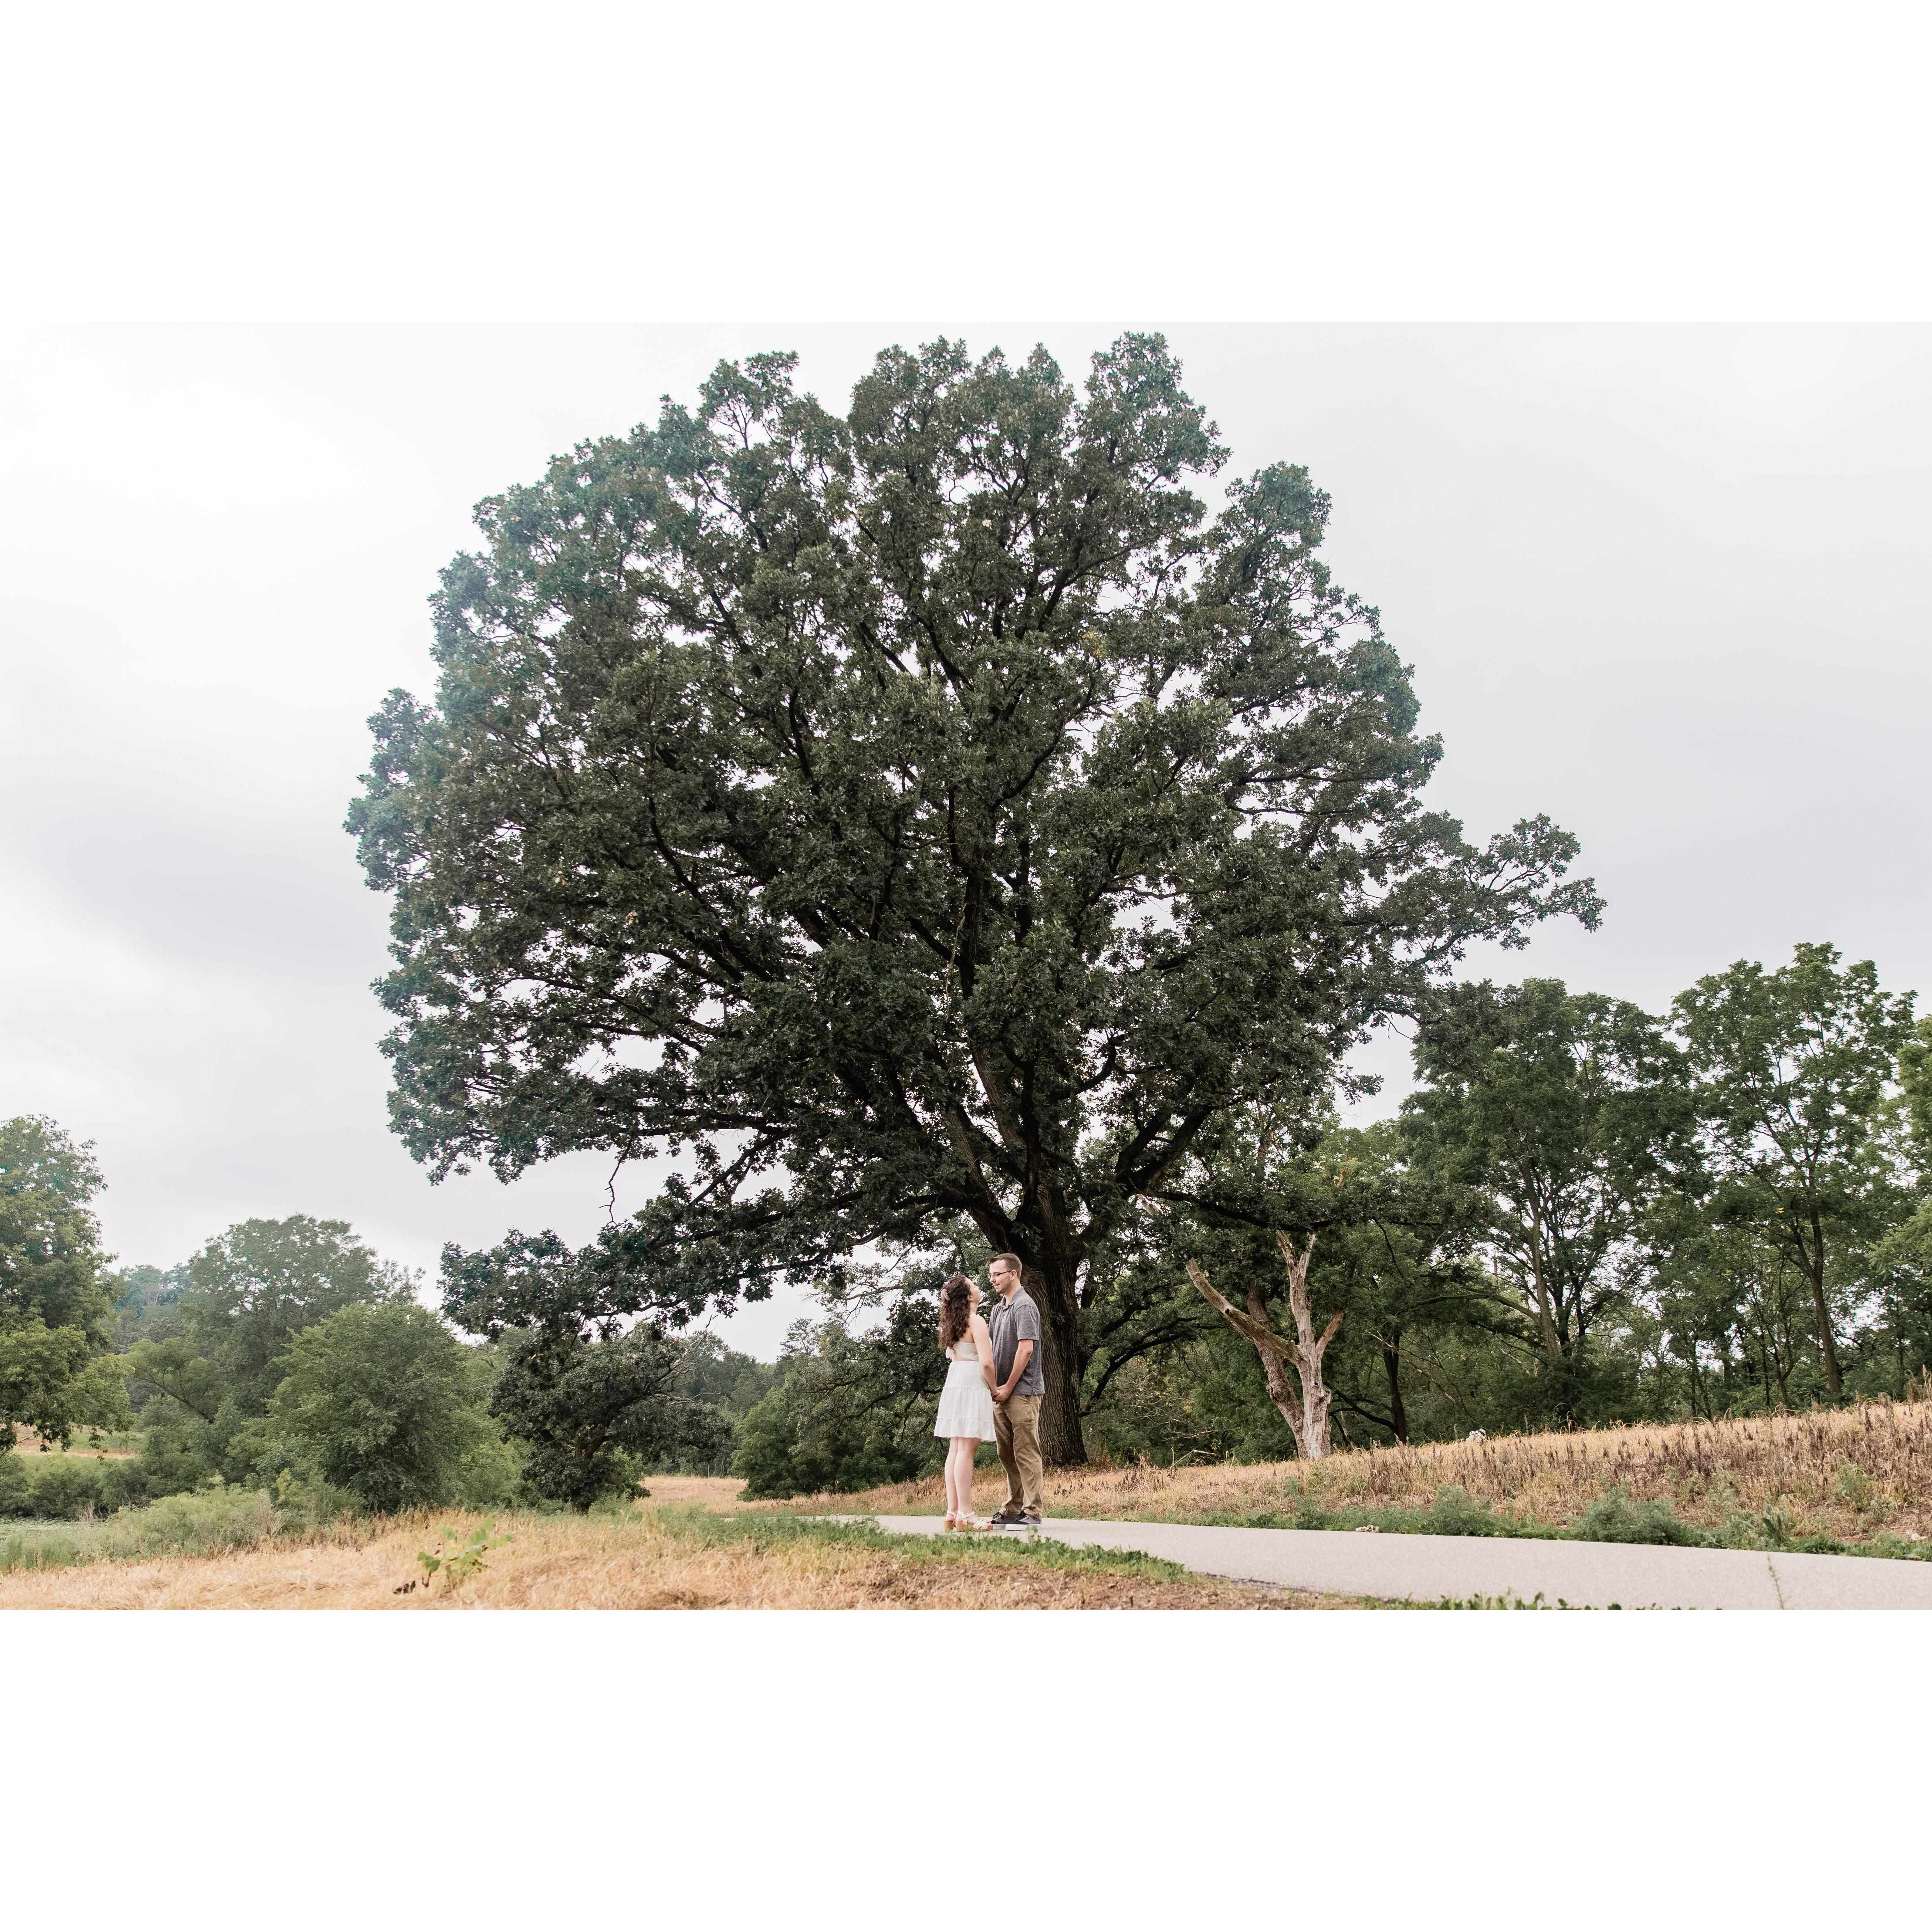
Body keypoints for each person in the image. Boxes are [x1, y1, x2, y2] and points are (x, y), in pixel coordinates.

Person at [934, 1272, 998, 1530]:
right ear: (970, 1296)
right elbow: (986, 1362)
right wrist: (995, 1389)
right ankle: (967, 1515)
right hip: (972, 1382)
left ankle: (952, 1513)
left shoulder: (952, 1323)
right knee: (967, 1451)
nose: (980, 1287)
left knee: (955, 1450)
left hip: (955, 1380)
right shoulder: (976, 1321)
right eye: (975, 1286)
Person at [985, 1252, 1044, 1528]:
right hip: (1001, 1393)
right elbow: (993, 1351)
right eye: (991, 1274)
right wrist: (994, 1388)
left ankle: (1032, 1512)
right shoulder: (998, 1309)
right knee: (1005, 1452)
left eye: (997, 1274)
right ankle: (1012, 1509)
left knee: (1026, 1450)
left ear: (1013, 1274)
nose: (992, 1279)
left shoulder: (1024, 1306)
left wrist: (1008, 1387)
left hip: (1023, 1391)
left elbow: (1027, 1348)